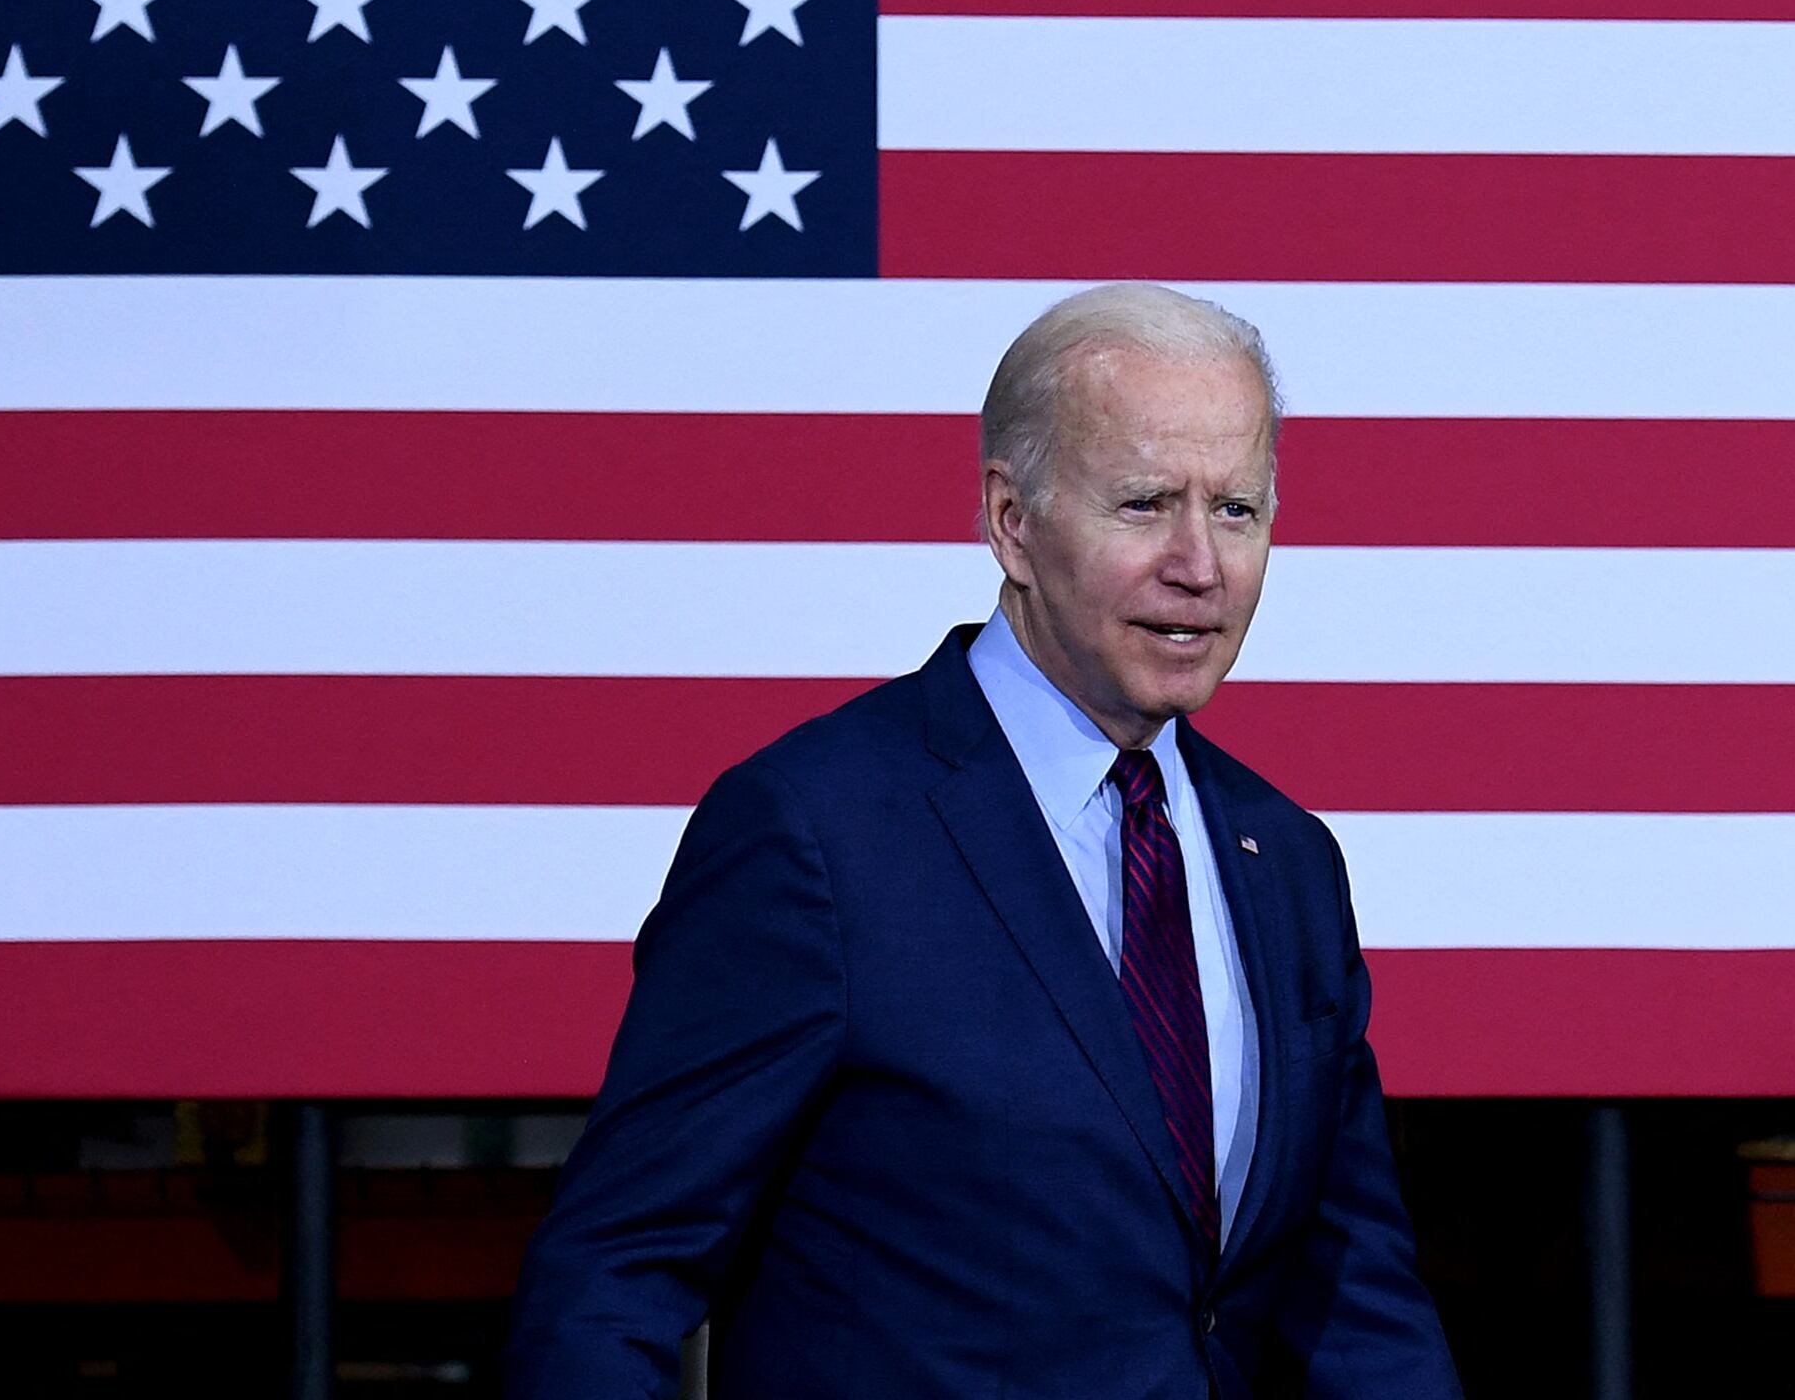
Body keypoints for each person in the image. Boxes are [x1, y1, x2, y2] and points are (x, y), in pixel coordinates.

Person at [506, 283, 1466, 1399]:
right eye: (1146, 504)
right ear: (1012, 521)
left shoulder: (1286, 857)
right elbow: (609, 1280)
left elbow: (1355, 1300)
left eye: (1238, 510)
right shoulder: (816, 833)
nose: (1200, 565)